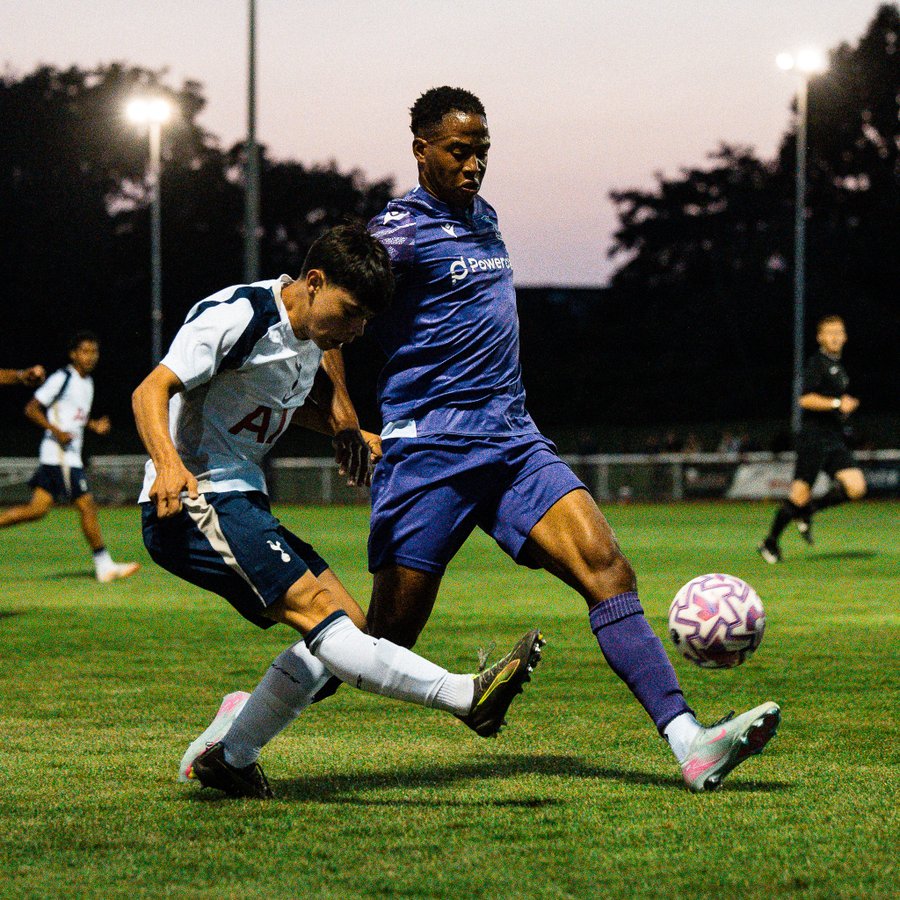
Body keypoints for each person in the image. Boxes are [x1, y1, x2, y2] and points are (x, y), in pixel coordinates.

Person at [132, 223, 544, 799]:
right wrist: (169, 465)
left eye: (366, 322)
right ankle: (465, 696)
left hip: (240, 499)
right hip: (193, 501)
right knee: (319, 613)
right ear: (314, 282)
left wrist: (345, 429)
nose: (354, 332)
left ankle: (231, 755)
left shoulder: (311, 339)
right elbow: (150, 390)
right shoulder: (237, 315)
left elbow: (273, 404)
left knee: (347, 627)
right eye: (350, 313)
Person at [0, 332, 139, 582]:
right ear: (73, 354)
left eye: (94, 351)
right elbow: (31, 408)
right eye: (85, 351)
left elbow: (74, 415)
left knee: (37, 510)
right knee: (87, 505)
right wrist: (56, 432)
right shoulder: (61, 377)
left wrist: (93, 425)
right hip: (59, 456)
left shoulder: (87, 382)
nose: (90, 356)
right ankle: (104, 565)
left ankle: (104, 565)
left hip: (67, 456)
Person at [758, 315, 866, 563]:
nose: (835, 337)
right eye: (830, 333)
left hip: (834, 439)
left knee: (857, 487)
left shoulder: (839, 368)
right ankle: (769, 543)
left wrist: (844, 406)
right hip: (813, 439)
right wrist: (838, 403)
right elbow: (804, 400)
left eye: (839, 332)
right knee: (798, 495)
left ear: (846, 336)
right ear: (820, 337)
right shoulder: (817, 364)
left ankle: (807, 511)